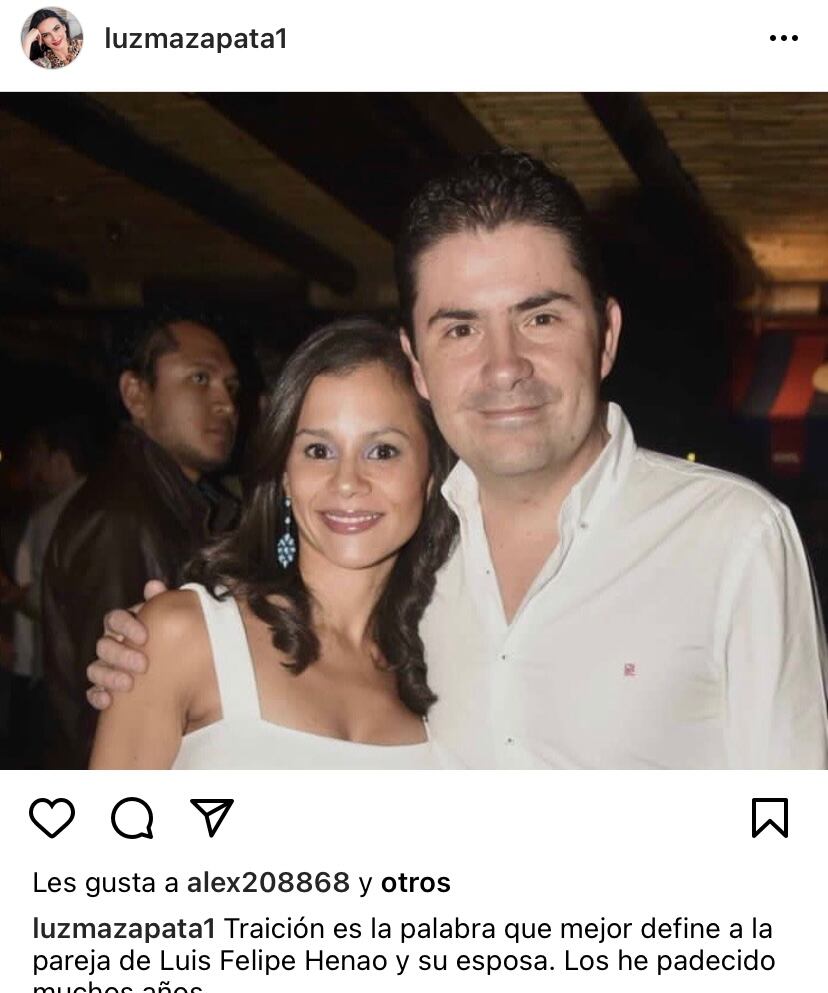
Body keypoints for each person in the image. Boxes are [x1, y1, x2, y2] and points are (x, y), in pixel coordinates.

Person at [88, 151, 828, 768]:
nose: (505, 366)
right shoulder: (414, 565)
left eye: (540, 317)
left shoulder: (733, 539)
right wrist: (160, 652)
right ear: (417, 362)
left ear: (605, 336)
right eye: (461, 329)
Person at [89, 318, 455, 769]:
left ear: (430, 477)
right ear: (285, 474)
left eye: (382, 451)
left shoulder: (449, 671)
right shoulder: (183, 636)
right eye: (318, 451)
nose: (347, 482)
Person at [43, 315, 242, 767]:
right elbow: (109, 709)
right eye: (200, 378)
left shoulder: (189, 506)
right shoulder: (121, 517)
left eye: (231, 387)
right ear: (136, 394)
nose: (225, 403)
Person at [0, 417, 88, 763]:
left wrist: (16, 596)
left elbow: (54, 596)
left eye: (37, 456)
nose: (32, 468)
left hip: (50, 675)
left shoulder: (59, 514)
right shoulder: (61, 508)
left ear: (60, 459)